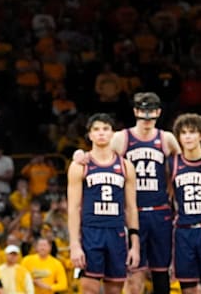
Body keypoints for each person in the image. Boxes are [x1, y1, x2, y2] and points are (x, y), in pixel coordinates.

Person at [67, 113, 140, 294]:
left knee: (115, 289)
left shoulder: (126, 166)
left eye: (106, 129)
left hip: (116, 231)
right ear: (90, 135)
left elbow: (131, 208)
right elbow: (74, 208)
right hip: (91, 231)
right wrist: (74, 244)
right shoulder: (80, 165)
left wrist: (135, 244)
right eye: (96, 129)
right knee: (88, 288)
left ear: (113, 134)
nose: (101, 133)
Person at [169, 114, 201, 294]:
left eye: (192, 132)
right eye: (183, 133)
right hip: (184, 229)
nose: (188, 136)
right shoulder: (173, 163)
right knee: (189, 288)